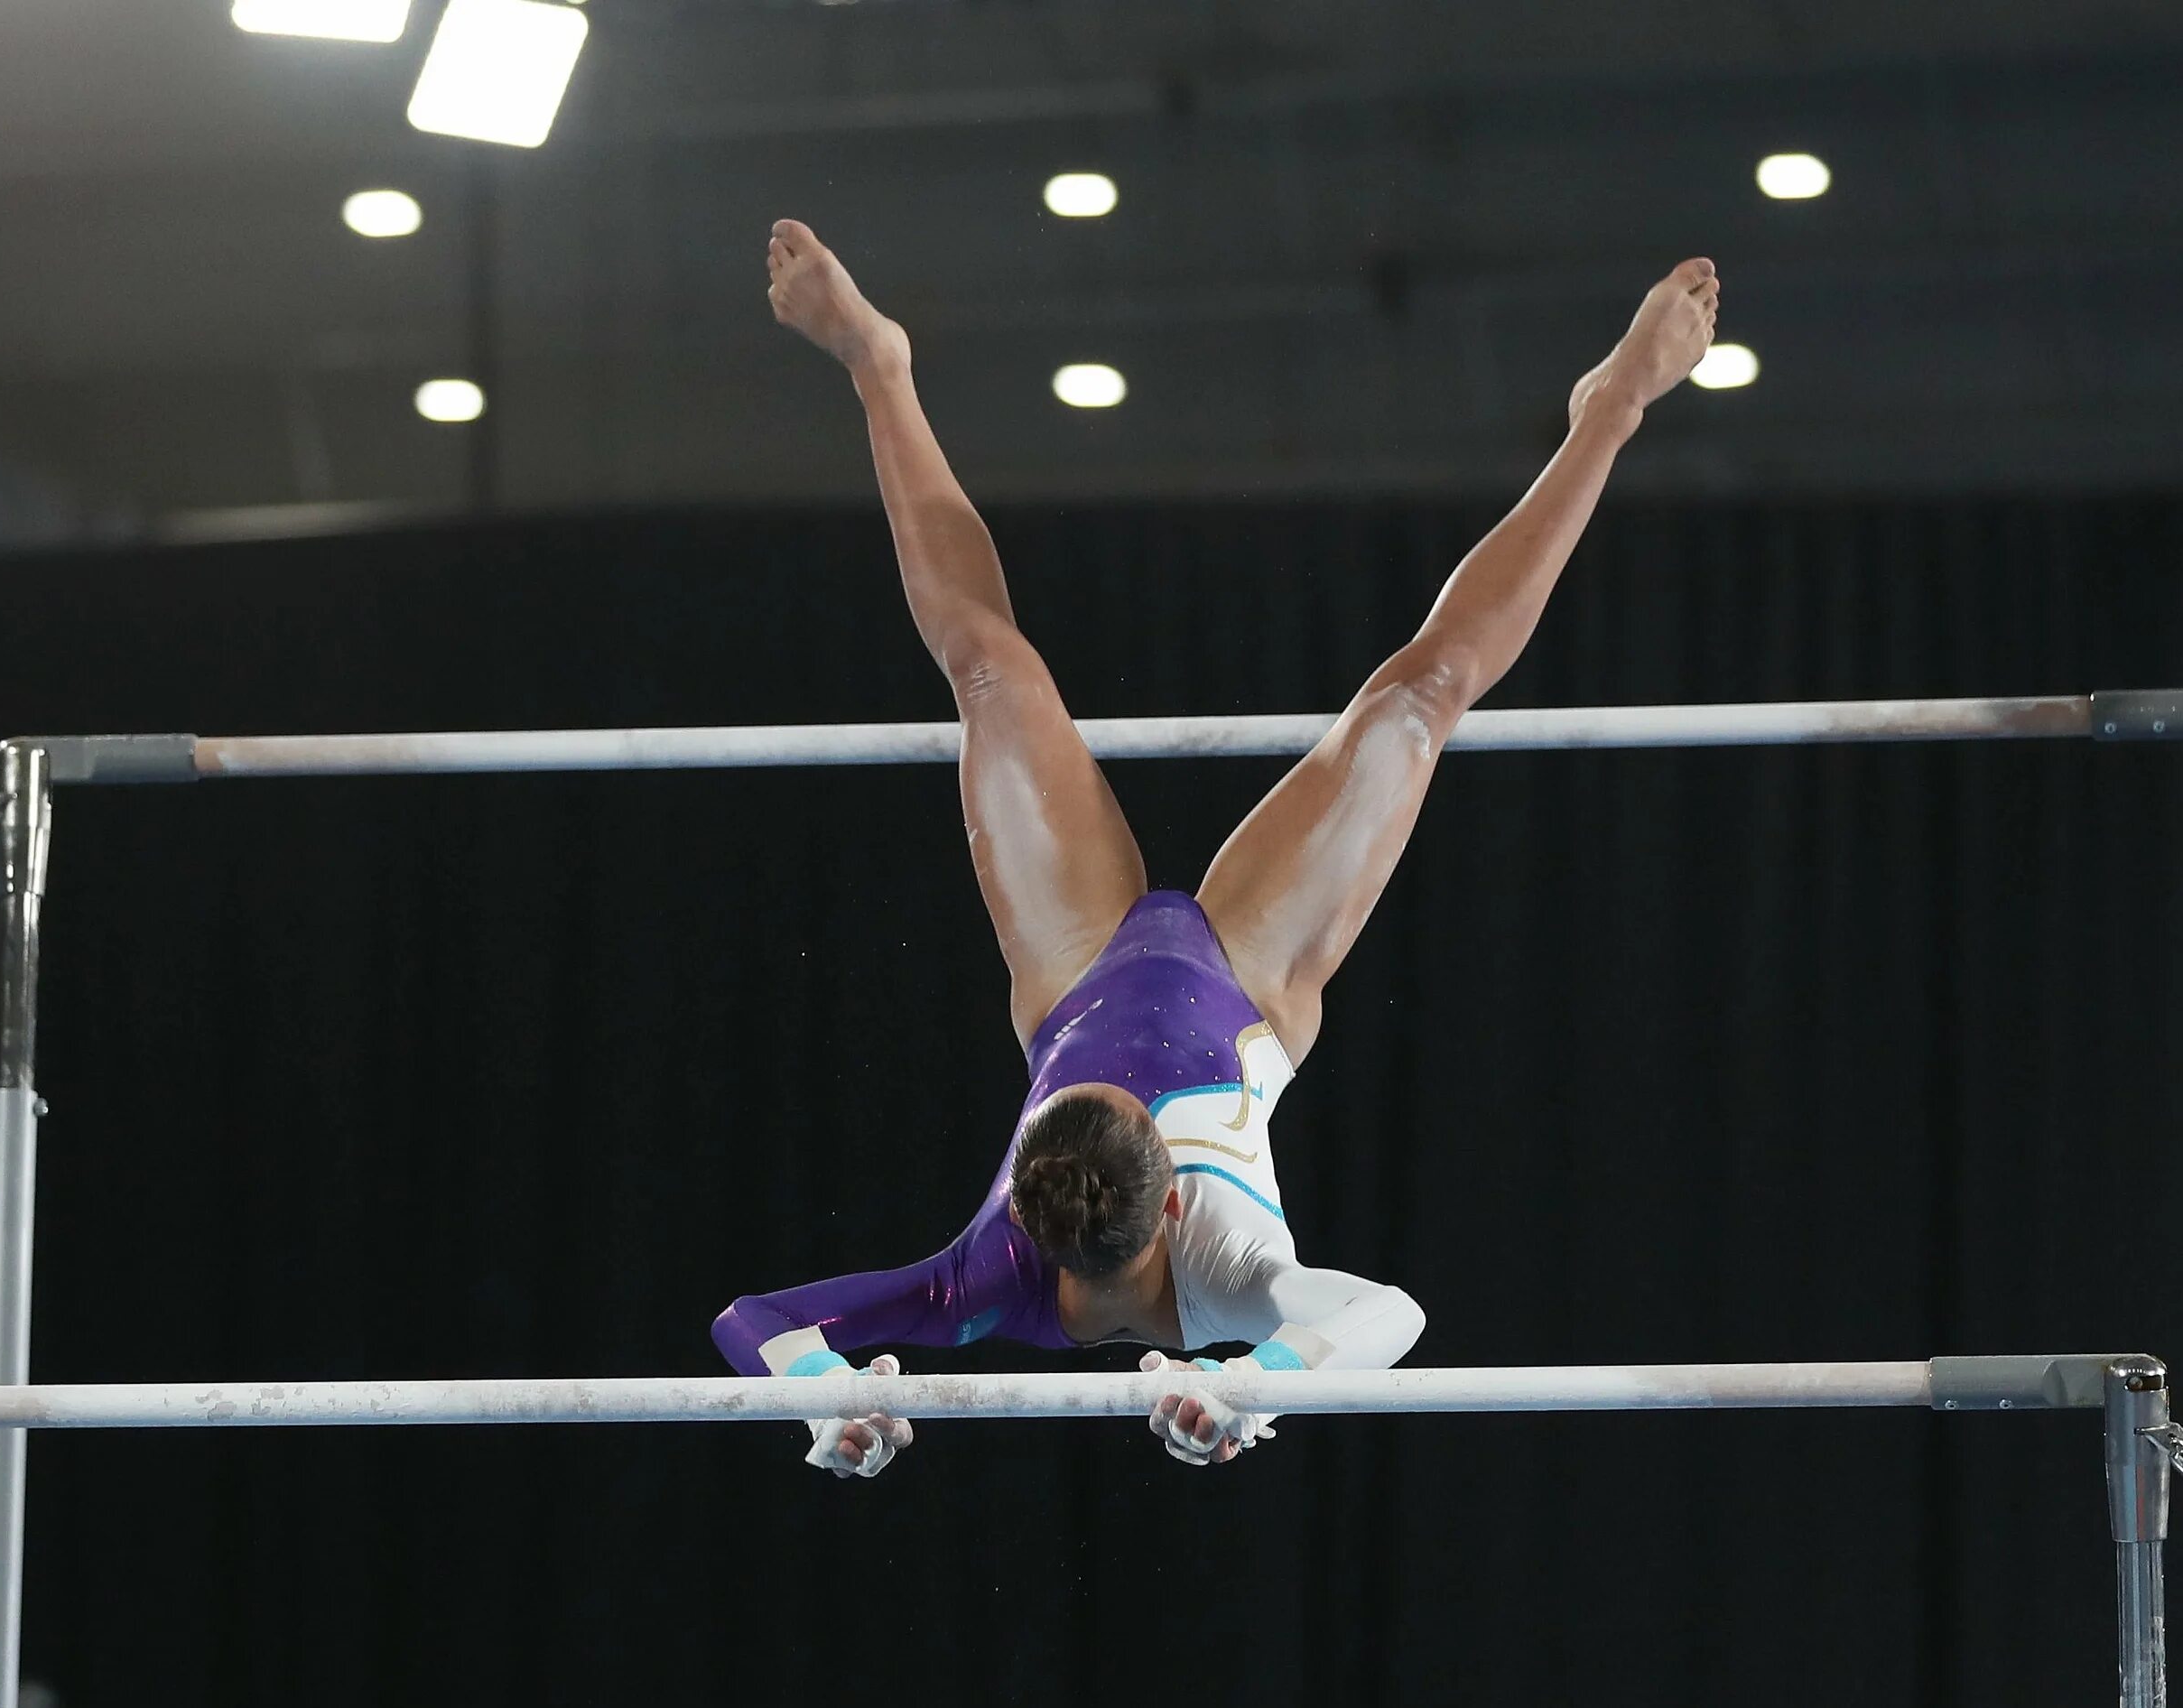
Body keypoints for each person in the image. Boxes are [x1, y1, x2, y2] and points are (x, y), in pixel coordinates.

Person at [712, 220, 1720, 1476]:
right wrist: (1263, 1377)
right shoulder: (1232, 1264)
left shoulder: (991, 1273)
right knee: (1418, 700)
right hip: (1247, 980)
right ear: (1171, 1200)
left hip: (1072, 970)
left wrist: (817, 1396)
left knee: (988, 672)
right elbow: (1386, 1316)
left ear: (1023, 1203)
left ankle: (879, 366)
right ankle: (1609, 410)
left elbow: (755, 1320)